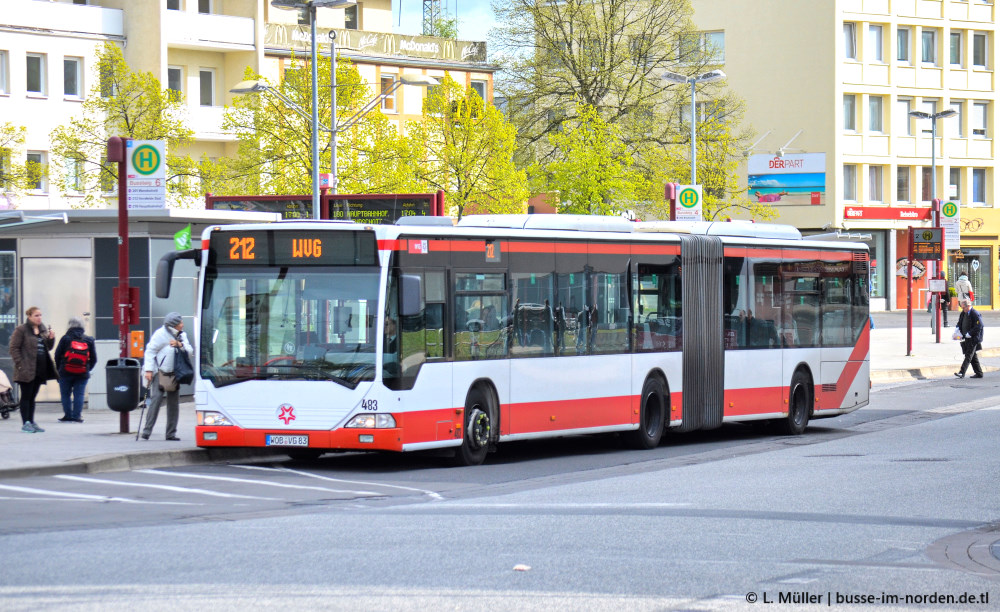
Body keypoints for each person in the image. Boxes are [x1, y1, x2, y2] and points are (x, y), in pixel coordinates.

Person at [141, 312, 194, 441]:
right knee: (156, 400)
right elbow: (150, 351)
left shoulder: (183, 335)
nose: (182, 324)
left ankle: (171, 433)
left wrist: (180, 345)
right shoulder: (160, 334)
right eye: (180, 322)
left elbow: (190, 351)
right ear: (173, 324)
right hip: (161, 371)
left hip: (175, 372)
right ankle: (147, 431)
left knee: (173, 403)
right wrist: (148, 370)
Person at [9, 306, 57, 433]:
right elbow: (14, 348)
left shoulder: (42, 329)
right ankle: (26, 422)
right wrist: (20, 364)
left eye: (40, 315)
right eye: (36, 315)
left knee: (33, 397)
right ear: (29, 316)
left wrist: (51, 338)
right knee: (26, 396)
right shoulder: (22, 330)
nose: (39, 318)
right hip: (26, 369)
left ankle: (32, 421)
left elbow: (48, 347)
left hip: (39, 369)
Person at [54, 317, 97, 423]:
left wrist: (59, 368)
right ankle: (77, 416)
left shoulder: (65, 338)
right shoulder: (89, 339)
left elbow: (57, 355)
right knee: (79, 394)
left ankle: (68, 416)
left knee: (65, 394)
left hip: (65, 371)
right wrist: (87, 368)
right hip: (82, 373)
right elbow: (94, 359)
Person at [954, 299, 984, 379]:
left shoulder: (975, 314)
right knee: (973, 356)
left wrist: (970, 333)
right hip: (966, 337)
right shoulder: (963, 313)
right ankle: (979, 373)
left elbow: (979, 326)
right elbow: (960, 322)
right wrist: (957, 330)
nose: (963, 309)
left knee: (968, 355)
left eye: (963, 307)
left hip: (973, 338)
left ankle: (962, 372)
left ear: (968, 306)